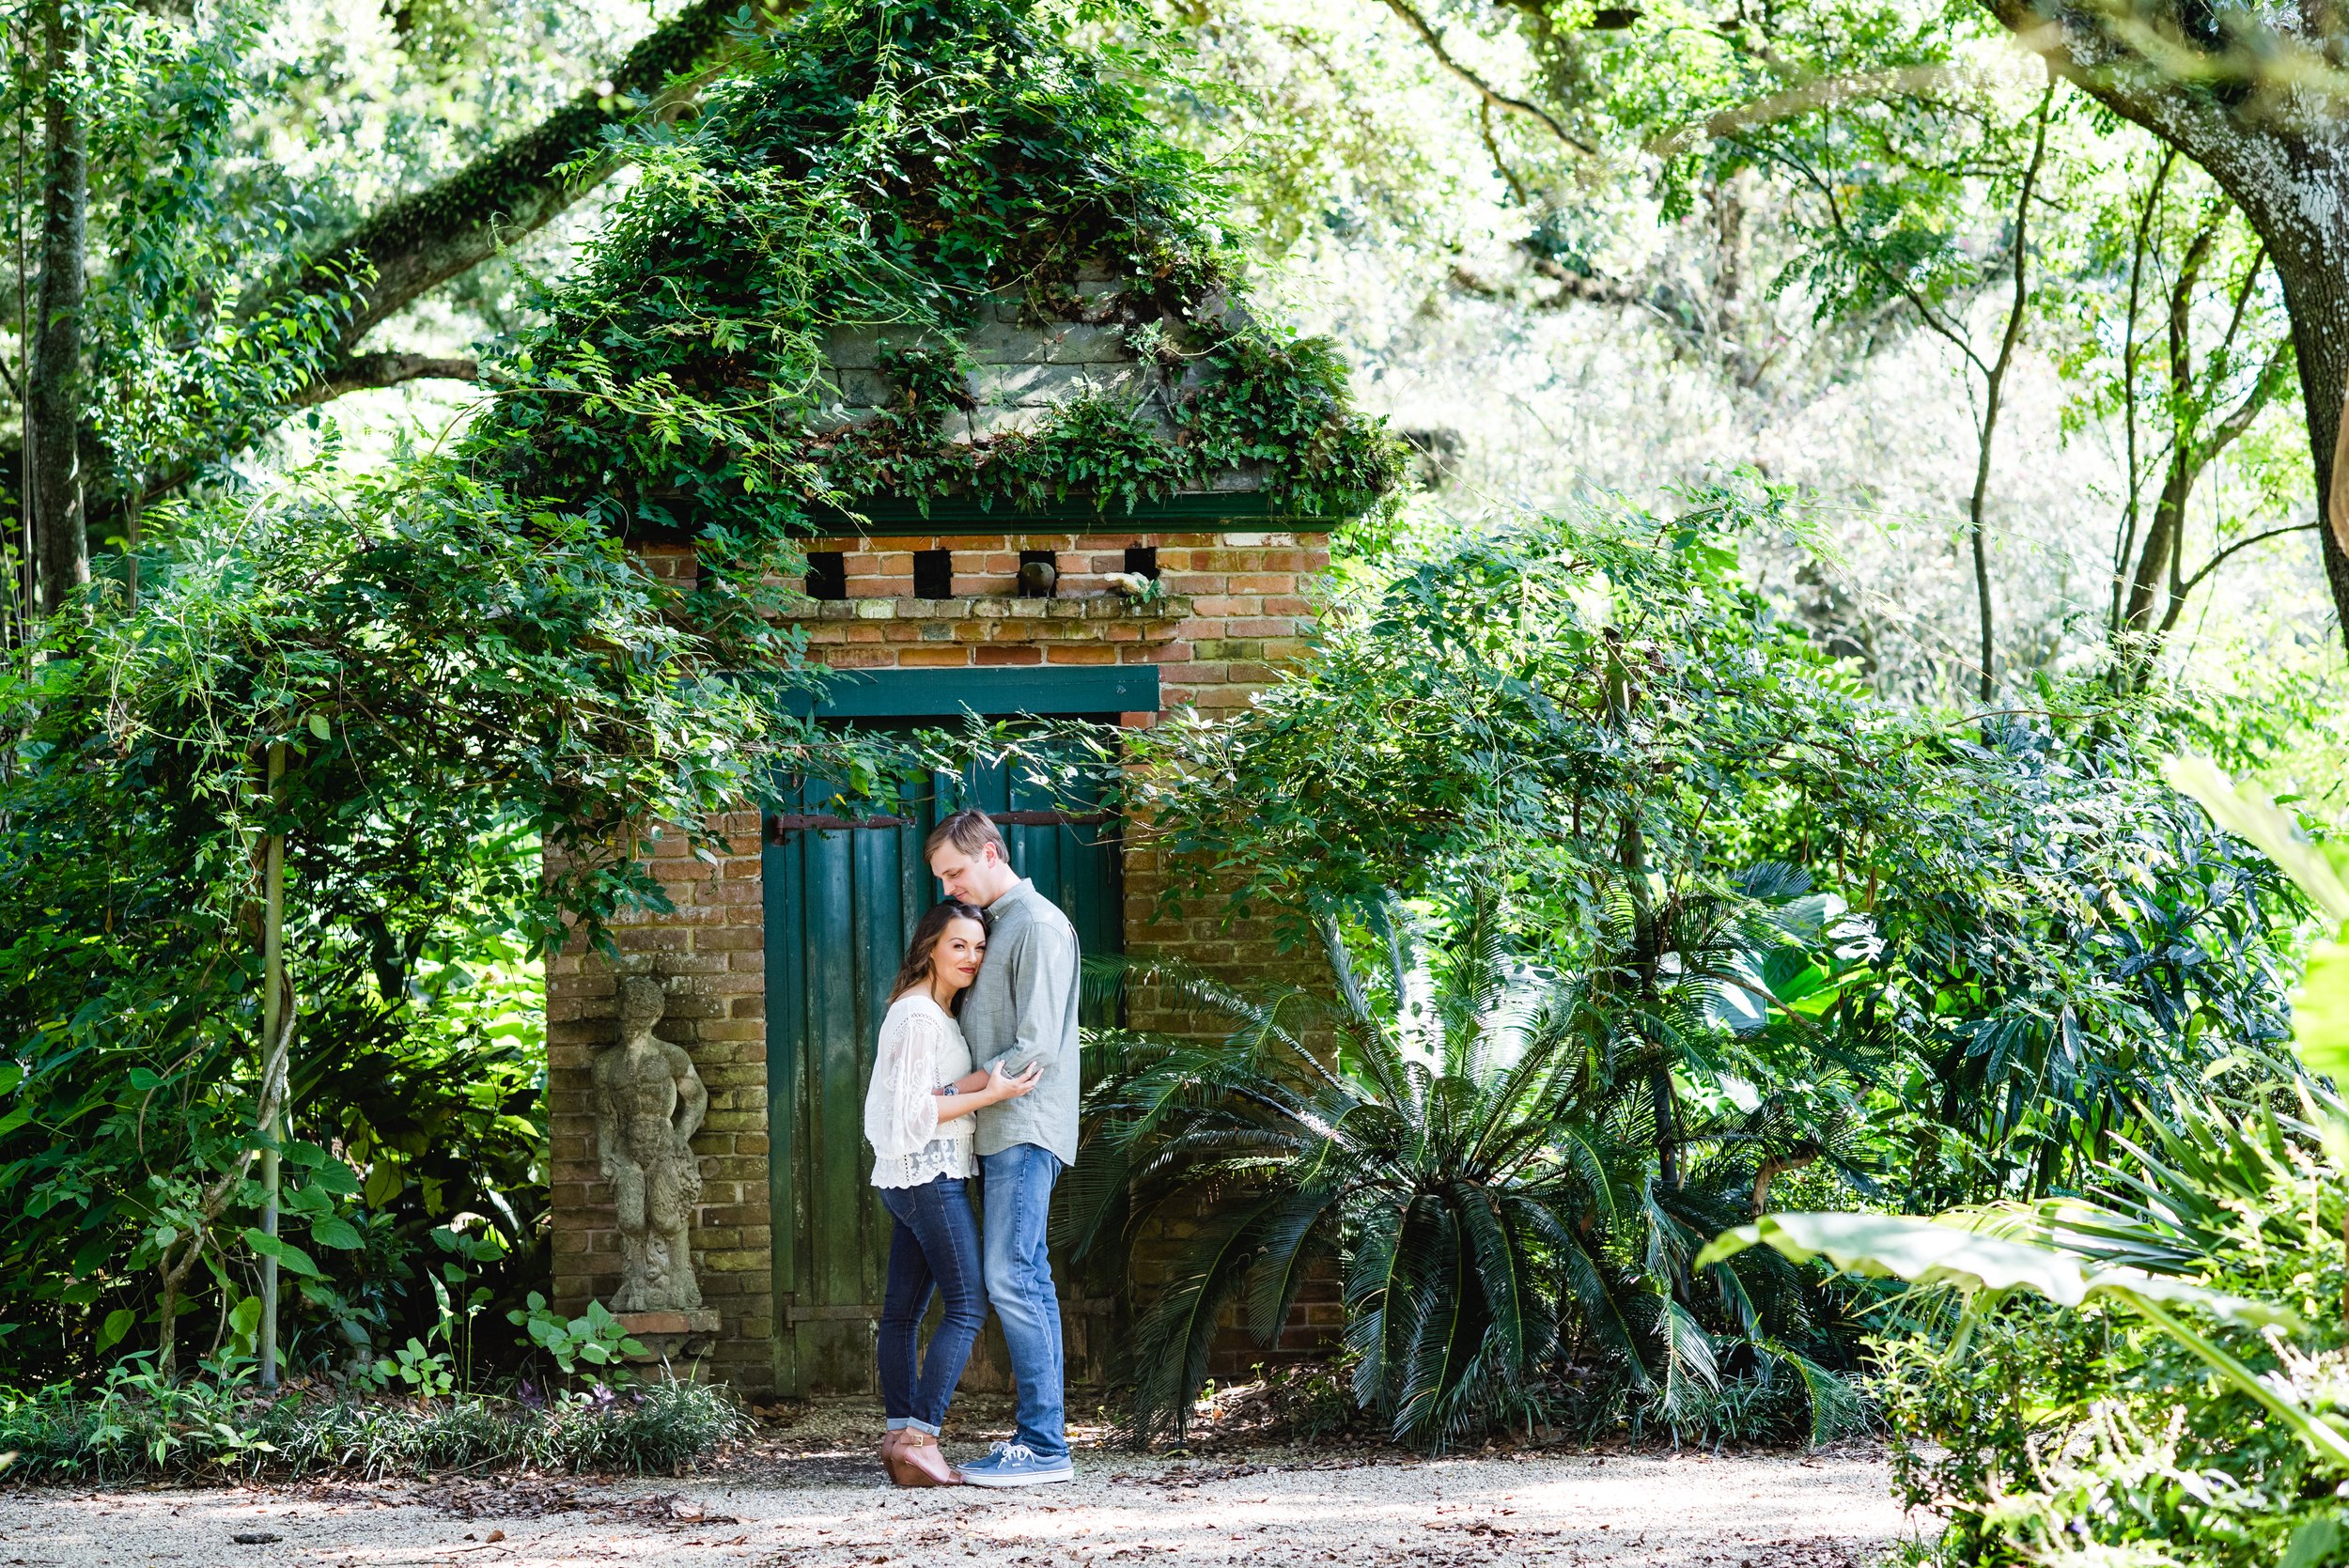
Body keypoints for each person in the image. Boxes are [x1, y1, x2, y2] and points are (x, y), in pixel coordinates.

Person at [926, 809, 1082, 1488]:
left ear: (991, 852)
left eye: (956, 871)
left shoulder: (1039, 924)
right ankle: (1044, 1440)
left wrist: (947, 1090)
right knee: (1025, 1274)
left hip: (1023, 1126)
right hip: (999, 1129)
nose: (952, 888)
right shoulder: (1003, 925)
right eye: (941, 878)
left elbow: (1035, 1048)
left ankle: (1044, 1445)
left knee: (1013, 1275)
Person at [863, 898, 1041, 1488]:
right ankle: (921, 1436)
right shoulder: (917, 1015)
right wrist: (993, 1098)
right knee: (967, 1305)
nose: (971, 957)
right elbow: (918, 1110)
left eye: (979, 947)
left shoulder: (932, 1013)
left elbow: (934, 1087)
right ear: (930, 948)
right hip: (929, 1177)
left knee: (902, 1313)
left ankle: (898, 1436)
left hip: (913, 1178)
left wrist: (991, 1079)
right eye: (958, 945)